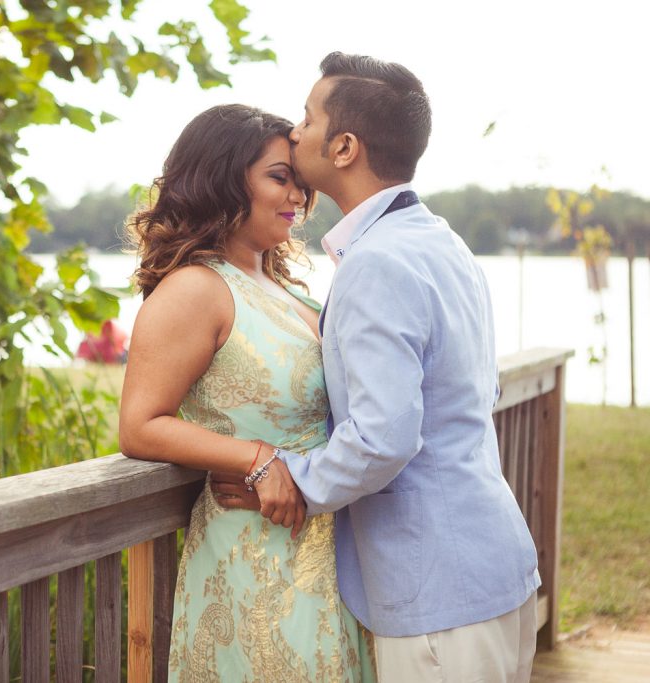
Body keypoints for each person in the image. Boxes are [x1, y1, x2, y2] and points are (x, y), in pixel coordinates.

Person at [213, 53, 541, 682]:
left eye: (307, 118)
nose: (294, 130)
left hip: (438, 593)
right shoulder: (441, 240)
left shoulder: (376, 264)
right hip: (494, 564)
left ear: (343, 146)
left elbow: (384, 436)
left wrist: (291, 480)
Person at [118, 104, 376, 681]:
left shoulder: (284, 288)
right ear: (222, 176)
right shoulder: (195, 288)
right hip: (256, 555)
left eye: (300, 183)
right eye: (279, 178)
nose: (298, 199)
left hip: (330, 551)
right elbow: (140, 424)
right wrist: (256, 459)